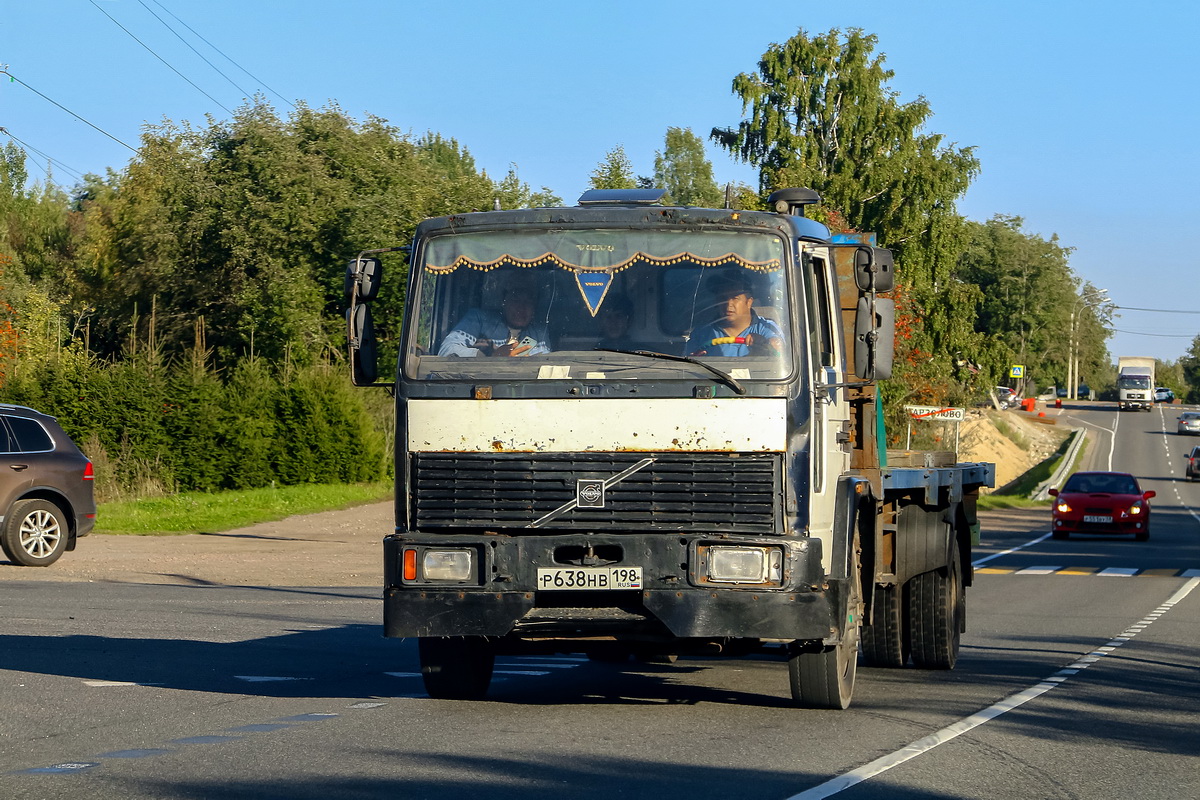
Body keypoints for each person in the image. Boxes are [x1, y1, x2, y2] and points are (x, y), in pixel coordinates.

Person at [437, 280, 551, 357]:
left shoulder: (539, 332)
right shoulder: (479, 319)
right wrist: (489, 355)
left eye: (528, 301)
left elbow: (548, 365)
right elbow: (445, 351)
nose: (521, 307)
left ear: (535, 306)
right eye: (515, 300)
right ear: (504, 301)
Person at [685, 273, 783, 357]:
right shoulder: (701, 333)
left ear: (749, 302)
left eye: (735, 298)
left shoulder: (766, 327)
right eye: (723, 298)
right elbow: (686, 365)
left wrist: (765, 343)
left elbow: (780, 350)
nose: (728, 304)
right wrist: (696, 359)